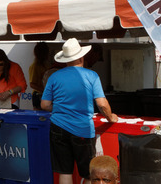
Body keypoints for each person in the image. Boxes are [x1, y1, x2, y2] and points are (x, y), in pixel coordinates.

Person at [41, 38, 118, 184]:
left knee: (65, 171)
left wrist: (59, 108)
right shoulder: (91, 76)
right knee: (88, 174)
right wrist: (110, 117)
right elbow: (102, 104)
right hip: (82, 129)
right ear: (82, 57)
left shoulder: (54, 76)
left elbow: (44, 105)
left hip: (58, 128)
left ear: (65, 60)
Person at [29, 42, 51, 110]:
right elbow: (32, 84)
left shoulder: (47, 65)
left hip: (46, 94)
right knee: (39, 116)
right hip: (38, 94)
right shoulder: (35, 66)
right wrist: (45, 90)